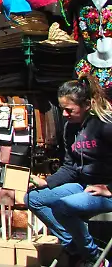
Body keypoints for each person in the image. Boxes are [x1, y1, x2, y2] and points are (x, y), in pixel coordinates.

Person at [27, 74, 112, 266]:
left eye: (69, 110)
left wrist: (109, 188)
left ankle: (93, 257)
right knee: (33, 198)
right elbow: (70, 167)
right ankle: (75, 246)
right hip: (84, 186)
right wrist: (47, 182)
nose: (64, 114)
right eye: (62, 109)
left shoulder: (105, 126)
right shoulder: (70, 128)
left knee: (63, 207)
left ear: (87, 106)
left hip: (105, 192)